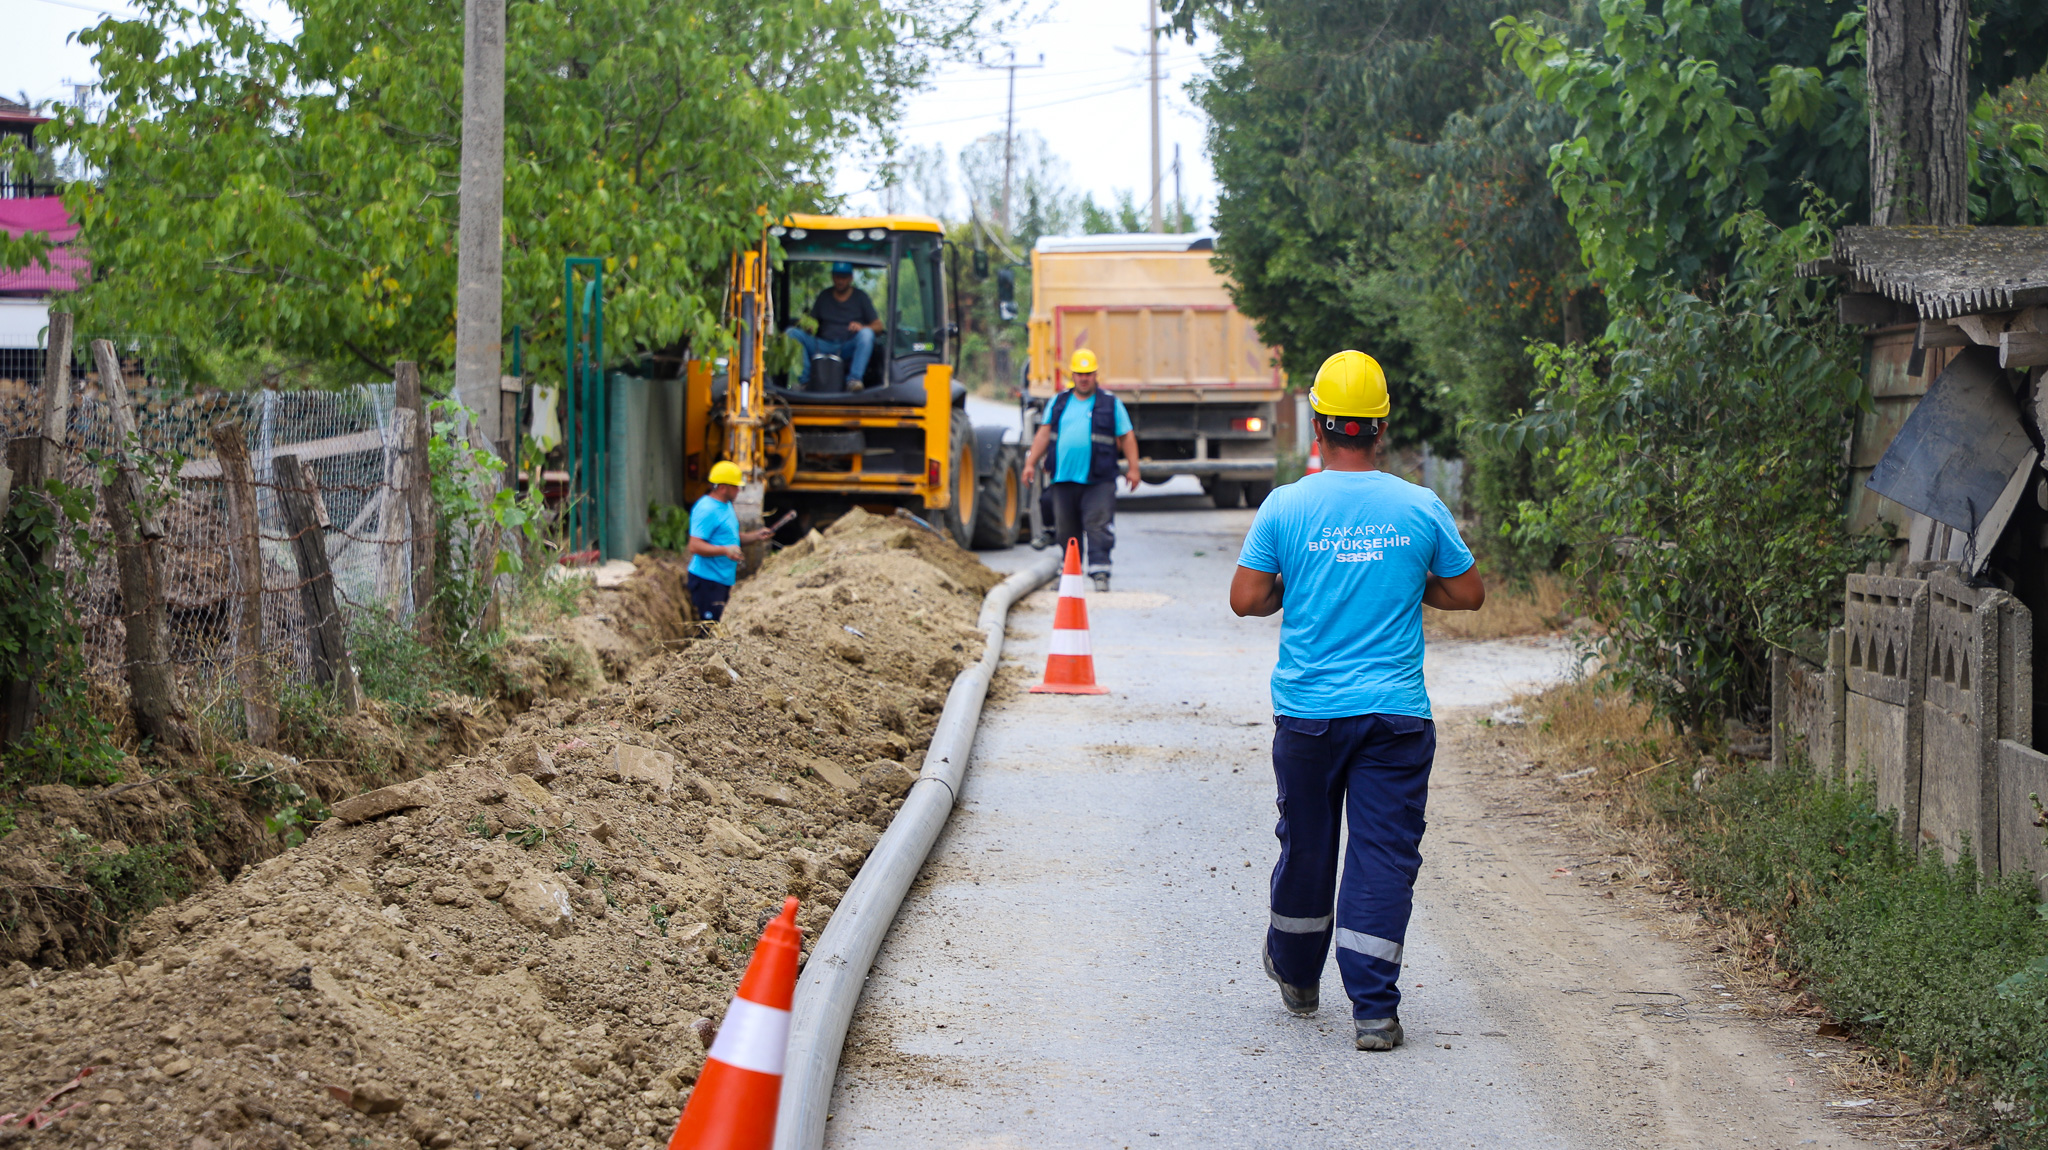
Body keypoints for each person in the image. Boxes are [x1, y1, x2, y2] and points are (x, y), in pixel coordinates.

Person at [1227, 350, 1486, 1052]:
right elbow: (1467, 592)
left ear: (1318, 426)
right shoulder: (1417, 506)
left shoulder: (1288, 505)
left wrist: (1298, 584)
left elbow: (1247, 598)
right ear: (1380, 428)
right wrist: (1408, 583)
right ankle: (1373, 1011)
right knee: (1382, 856)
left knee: (1307, 845)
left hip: (1309, 715)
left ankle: (1298, 975)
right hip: (1394, 716)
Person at [1020, 348, 1141, 591]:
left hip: (1099, 479)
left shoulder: (1110, 404)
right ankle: (1070, 574)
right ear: (1072, 376)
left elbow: (1126, 436)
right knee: (1067, 528)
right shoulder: (1059, 402)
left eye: (1088, 374)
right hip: (1063, 478)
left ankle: (1100, 571)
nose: (1084, 378)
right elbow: (1044, 434)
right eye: (1079, 374)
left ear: (1096, 375)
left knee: (1097, 525)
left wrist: (1133, 469)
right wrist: (1030, 463)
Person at [686, 461, 776, 624]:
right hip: (707, 581)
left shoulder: (726, 505)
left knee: (716, 625)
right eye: (735, 487)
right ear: (722, 487)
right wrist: (725, 551)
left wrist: (756, 536)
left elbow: (731, 539)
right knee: (707, 630)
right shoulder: (706, 509)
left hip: (721, 580)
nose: (739, 490)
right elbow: (694, 545)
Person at [787, 263, 881, 388]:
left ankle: (854, 380)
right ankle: (805, 381)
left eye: (844, 277)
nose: (840, 281)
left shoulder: (861, 297)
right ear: (832, 277)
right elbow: (812, 322)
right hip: (822, 345)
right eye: (837, 277)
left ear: (851, 278)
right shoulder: (824, 296)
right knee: (792, 333)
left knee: (867, 334)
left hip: (847, 346)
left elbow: (879, 326)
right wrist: (809, 326)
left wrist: (862, 327)